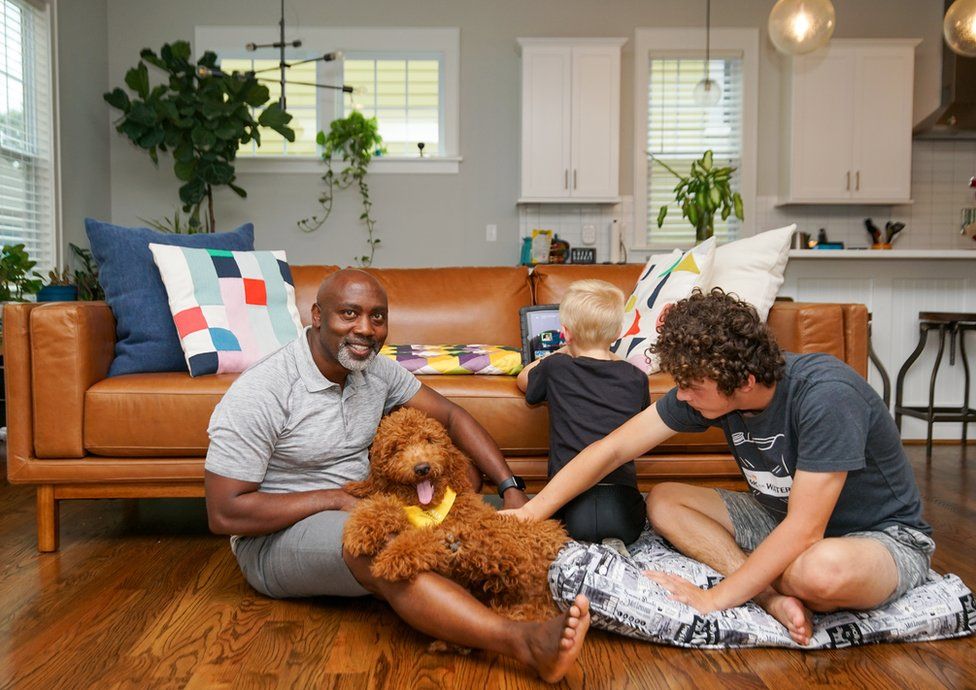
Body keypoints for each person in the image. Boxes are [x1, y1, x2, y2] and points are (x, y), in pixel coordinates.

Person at [204, 268, 590, 682]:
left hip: (374, 506)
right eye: (349, 314)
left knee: (481, 517)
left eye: (377, 317)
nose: (365, 329)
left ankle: (594, 590)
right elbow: (224, 513)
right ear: (316, 316)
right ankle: (523, 642)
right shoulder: (262, 390)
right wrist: (332, 498)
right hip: (276, 538)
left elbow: (452, 416)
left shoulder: (373, 370)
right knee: (387, 543)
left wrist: (510, 488)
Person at [505, 288, 933, 646]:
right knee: (665, 500)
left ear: (743, 382)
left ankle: (761, 582)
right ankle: (766, 595)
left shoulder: (826, 394)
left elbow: (806, 530)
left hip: (879, 536)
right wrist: (530, 512)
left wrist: (715, 598)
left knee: (817, 572)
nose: (682, 395)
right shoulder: (710, 391)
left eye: (692, 387)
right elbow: (612, 450)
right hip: (776, 516)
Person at [517, 279, 649, 546]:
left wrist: (563, 351)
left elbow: (523, 379)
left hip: (568, 505)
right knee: (632, 518)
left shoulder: (556, 367)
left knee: (564, 531)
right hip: (624, 510)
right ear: (616, 334)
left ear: (565, 332)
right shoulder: (636, 378)